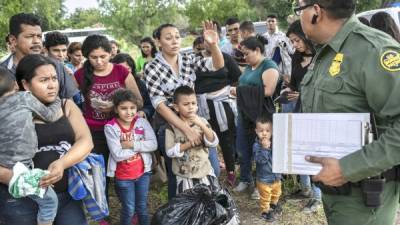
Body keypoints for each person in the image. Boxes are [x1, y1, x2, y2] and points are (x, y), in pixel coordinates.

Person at [296, 0, 400, 224]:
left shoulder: (373, 50)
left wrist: (347, 168)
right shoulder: (328, 51)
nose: (297, 17)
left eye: (298, 9)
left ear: (316, 12)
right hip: (335, 193)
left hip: (365, 198)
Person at [0, 54, 93, 225]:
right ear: (24, 84)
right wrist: (12, 177)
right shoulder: (6, 113)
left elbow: (85, 141)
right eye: (43, 80)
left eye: (54, 78)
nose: (52, 85)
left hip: (67, 197)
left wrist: (62, 164)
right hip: (21, 199)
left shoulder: (66, 105)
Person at [144, 21, 224, 199]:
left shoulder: (188, 59)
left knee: (211, 167)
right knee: (177, 175)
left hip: (195, 122)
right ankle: (179, 214)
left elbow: (217, 65)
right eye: (168, 38)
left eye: (177, 37)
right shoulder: (151, 67)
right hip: (170, 127)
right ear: (158, 42)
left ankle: (209, 210)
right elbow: (159, 104)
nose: (174, 41)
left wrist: (213, 45)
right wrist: (185, 129)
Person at [0, 65, 61, 225]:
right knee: (49, 201)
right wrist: (58, 100)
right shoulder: (23, 98)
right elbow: (50, 115)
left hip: (6, 163)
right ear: (16, 85)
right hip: (19, 169)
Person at [232, 36, 279, 201]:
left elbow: (267, 91)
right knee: (243, 149)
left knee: (262, 151)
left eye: (246, 54)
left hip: (261, 117)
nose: (244, 58)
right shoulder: (249, 68)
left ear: (257, 50)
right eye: (242, 54)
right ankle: (246, 179)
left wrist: (238, 91)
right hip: (245, 116)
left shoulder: (269, 66)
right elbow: (244, 85)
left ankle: (262, 185)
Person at [284, 20, 321, 213]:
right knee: (300, 149)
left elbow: (321, 88)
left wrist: (302, 94)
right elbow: (294, 83)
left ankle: (317, 196)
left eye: (297, 40)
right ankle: (305, 188)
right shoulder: (296, 57)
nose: (295, 45)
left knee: (314, 152)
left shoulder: (320, 56)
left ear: (306, 36)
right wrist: (288, 91)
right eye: (292, 41)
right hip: (298, 108)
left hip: (315, 110)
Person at [194, 34, 241, 186]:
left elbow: (237, 77)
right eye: (205, 41)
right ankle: (209, 171)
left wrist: (232, 90)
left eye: (212, 41)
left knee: (226, 138)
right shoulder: (195, 60)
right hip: (201, 106)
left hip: (223, 104)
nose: (208, 44)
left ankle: (231, 171)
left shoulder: (225, 58)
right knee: (205, 138)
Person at [105, 89, 157, 225]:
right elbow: (117, 155)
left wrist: (130, 144)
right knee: (129, 208)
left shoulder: (141, 122)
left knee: (142, 207)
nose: (129, 112)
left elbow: (153, 144)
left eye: (132, 108)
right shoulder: (110, 127)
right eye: (124, 108)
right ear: (116, 109)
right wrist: (141, 146)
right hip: (123, 177)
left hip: (143, 174)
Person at [0, 13, 78, 100]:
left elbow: (69, 101)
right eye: (30, 36)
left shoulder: (56, 66)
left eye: (39, 36)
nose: (36, 41)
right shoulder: (2, 72)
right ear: (13, 40)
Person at [165, 86, 219, 194]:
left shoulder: (202, 121)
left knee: (209, 202)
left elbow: (213, 141)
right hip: (184, 177)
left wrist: (202, 125)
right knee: (189, 205)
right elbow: (170, 151)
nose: (190, 107)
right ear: (176, 107)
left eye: (193, 103)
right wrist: (189, 144)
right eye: (186, 104)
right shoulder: (172, 127)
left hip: (205, 173)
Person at [253, 116, 282, 222]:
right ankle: (265, 211)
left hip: (276, 176)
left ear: (272, 131)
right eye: (261, 131)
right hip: (264, 179)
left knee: (276, 193)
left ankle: (273, 205)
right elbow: (260, 160)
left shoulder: (275, 143)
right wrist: (265, 149)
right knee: (265, 197)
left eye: (267, 131)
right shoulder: (256, 146)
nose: (264, 133)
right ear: (256, 131)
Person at [111, 53, 154, 120]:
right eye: (121, 69)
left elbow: (150, 105)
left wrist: (143, 112)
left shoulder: (140, 84)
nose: (124, 72)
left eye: (127, 69)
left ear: (132, 68)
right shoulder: (110, 85)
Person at [262, 14, 294, 81]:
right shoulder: (263, 37)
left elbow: (291, 51)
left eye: (273, 21)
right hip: (267, 69)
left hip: (282, 71)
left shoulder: (283, 36)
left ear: (276, 23)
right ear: (266, 23)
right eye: (269, 21)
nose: (271, 23)